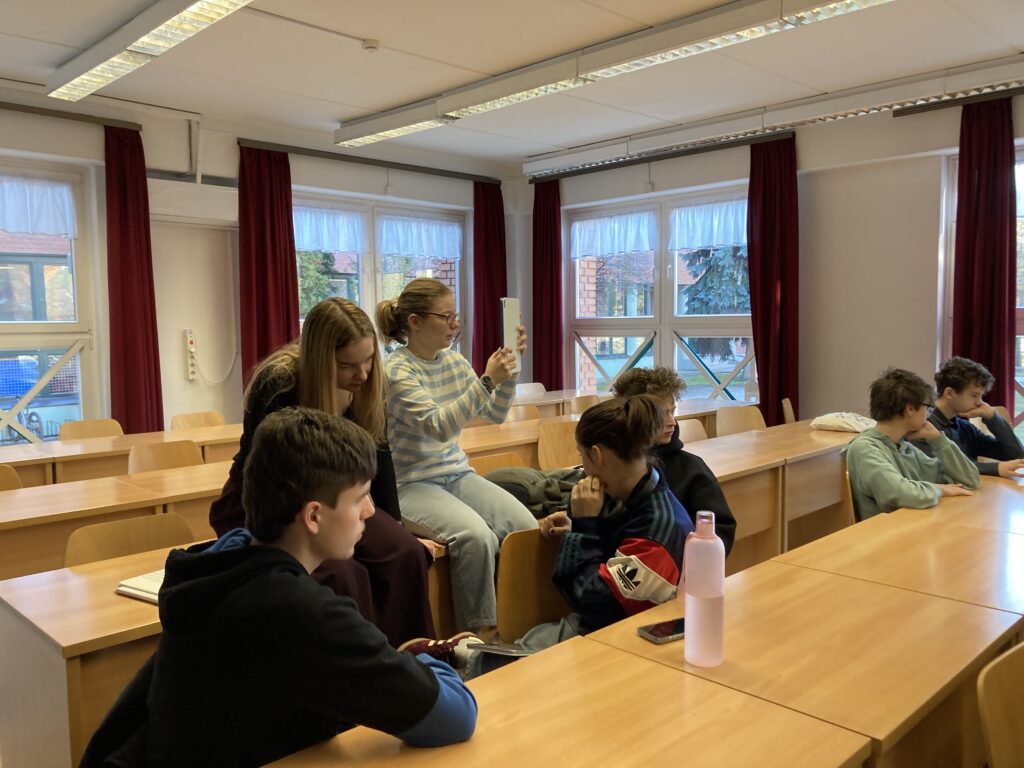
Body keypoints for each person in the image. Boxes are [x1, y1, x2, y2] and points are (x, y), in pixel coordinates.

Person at [79, 408, 477, 768]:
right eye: (360, 498)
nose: (371, 512)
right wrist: (419, 661)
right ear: (313, 516)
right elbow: (456, 715)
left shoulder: (222, 561)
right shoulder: (298, 611)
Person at [209, 297, 435, 647]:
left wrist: (395, 526)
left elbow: (380, 455)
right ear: (320, 360)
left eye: (368, 361)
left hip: (336, 496)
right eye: (347, 365)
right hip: (272, 502)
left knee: (406, 553)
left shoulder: (366, 386)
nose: (362, 374)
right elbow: (272, 479)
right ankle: (358, 665)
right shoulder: (279, 383)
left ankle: (411, 657)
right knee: (344, 573)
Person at [469, 396, 694, 676]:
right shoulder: (646, 493)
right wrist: (577, 526)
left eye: (581, 456)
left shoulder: (657, 530)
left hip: (621, 642)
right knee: (509, 650)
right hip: (616, 627)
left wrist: (585, 526)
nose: (583, 467)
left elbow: (592, 601)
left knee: (498, 668)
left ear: (596, 455)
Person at [376, 278, 538, 634]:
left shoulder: (453, 360)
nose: (455, 324)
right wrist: (487, 381)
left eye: (456, 316)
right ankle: (476, 638)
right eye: (446, 317)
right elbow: (439, 426)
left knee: (525, 527)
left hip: (456, 475)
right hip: (411, 484)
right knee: (476, 537)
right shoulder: (396, 371)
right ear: (415, 322)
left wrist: (510, 373)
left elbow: (495, 414)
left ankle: (522, 620)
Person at [612, 366, 736, 555]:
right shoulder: (613, 466)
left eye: (673, 411)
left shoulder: (691, 469)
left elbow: (721, 530)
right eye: (662, 414)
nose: (672, 422)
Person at [845, 367, 980, 520]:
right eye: (928, 408)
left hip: (910, 524)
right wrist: (940, 489)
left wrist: (937, 439)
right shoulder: (864, 448)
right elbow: (899, 493)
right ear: (910, 409)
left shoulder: (905, 447)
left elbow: (970, 480)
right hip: (885, 531)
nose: (928, 415)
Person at [911, 356, 1024, 478]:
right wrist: (995, 468)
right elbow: (936, 467)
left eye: (981, 396)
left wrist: (992, 417)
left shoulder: (964, 428)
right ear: (949, 393)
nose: (980, 402)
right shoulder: (922, 424)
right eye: (974, 395)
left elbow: (1017, 455)